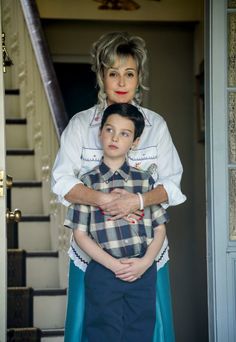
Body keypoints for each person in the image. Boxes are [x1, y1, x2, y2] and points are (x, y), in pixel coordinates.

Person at [51, 31, 186, 342]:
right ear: (102, 76)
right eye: (114, 73)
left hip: (146, 253)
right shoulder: (81, 126)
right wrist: (104, 199)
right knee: (92, 328)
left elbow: (172, 186)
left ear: (139, 78)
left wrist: (136, 202)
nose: (122, 82)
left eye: (129, 73)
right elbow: (61, 182)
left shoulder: (156, 127)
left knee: (149, 328)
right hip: (93, 254)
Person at [64, 103, 169, 341]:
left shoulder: (145, 182)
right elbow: (80, 235)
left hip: (142, 271)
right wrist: (113, 265)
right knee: (102, 333)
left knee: (139, 332)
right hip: (103, 271)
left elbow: (160, 229)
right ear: (100, 132)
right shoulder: (86, 184)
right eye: (109, 130)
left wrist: (145, 262)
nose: (115, 137)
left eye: (125, 133)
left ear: (135, 142)